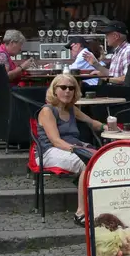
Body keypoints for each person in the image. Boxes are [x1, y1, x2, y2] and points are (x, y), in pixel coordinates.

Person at [36, 74, 106, 226]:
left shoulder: (71, 109)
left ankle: (99, 204)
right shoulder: (47, 111)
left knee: (103, 158)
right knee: (87, 162)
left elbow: (91, 122)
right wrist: (79, 150)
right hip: (50, 151)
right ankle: (80, 214)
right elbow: (56, 141)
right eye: (63, 87)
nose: (67, 91)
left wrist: (107, 127)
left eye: (71, 88)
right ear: (54, 90)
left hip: (71, 148)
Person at [86, 21, 130, 85]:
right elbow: (113, 75)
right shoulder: (118, 51)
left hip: (122, 93)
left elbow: (128, 79)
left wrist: (106, 78)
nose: (106, 38)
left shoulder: (128, 52)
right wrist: (96, 64)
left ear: (116, 36)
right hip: (115, 90)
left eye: (107, 35)